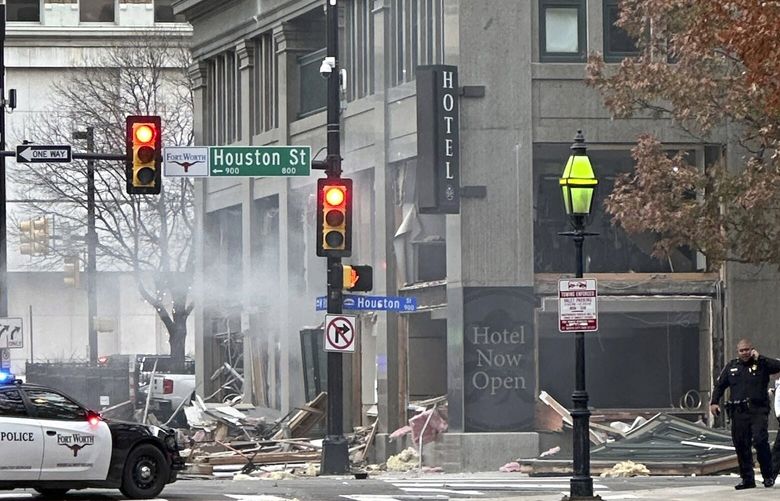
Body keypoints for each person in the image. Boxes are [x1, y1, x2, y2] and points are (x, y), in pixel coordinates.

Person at [710, 339, 780, 489]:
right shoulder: (732, 366)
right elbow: (720, 385)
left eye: (747, 350)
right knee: (741, 445)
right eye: (742, 350)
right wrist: (714, 402)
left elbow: (778, 365)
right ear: (738, 352)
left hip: (758, 410)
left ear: (752, 349)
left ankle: (768, 476)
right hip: (739, 411)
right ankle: (747, 479)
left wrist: (760, 357)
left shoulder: (762, 364)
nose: (745, 353)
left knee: (760, 440)